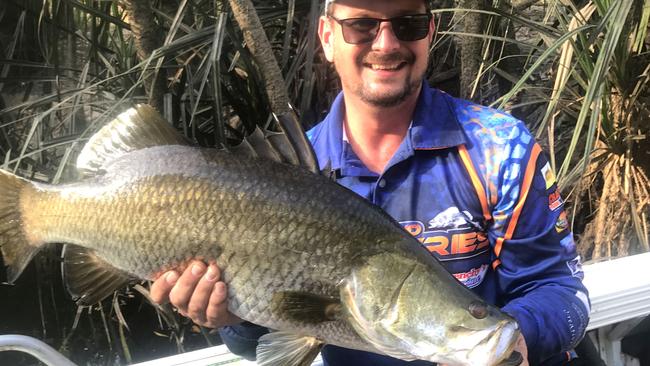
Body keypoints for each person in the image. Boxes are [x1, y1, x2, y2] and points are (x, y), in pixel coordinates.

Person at [150, 0, 591, 364]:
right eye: (361, 25)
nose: (386, 43)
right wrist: (230, 317)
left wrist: (513, 343)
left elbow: (561, 291)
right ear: (327, 37)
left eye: (408, 24)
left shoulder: (499, 150)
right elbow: (259, 345)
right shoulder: (289, 175)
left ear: (429, 33)